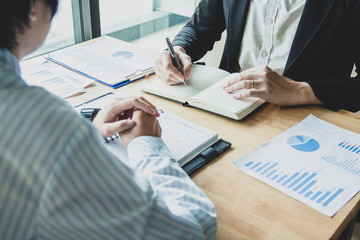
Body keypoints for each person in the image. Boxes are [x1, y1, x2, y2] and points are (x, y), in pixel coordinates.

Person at [0, 0, 216, 239]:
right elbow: (188, 231)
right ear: (33, 6)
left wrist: (87, 133)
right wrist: (146, 144)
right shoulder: (39, 122)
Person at [155, 0, 360, 112]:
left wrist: (300, 90)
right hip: (225, 105)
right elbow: (200, 28)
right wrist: (179, 49)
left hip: (307, 120)